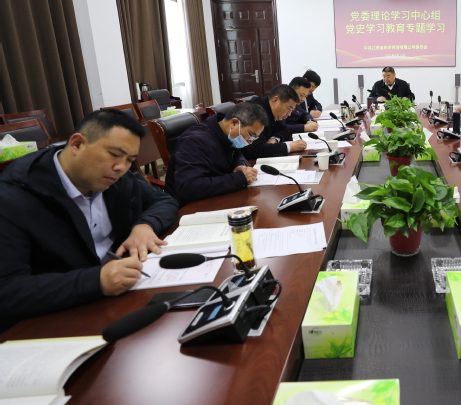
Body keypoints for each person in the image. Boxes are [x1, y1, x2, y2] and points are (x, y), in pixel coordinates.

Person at [0, 109, 179, 331]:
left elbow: (164, 200)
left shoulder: (115, 178)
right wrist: (96, 281)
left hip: (120, 296)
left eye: (130, 160)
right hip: (56, 319)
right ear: (77, 144)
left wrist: (145, 225)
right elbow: (7, 291)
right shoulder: (14, 197)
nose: (121, 167)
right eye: (114, 154)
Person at [165, 102, 268, 207]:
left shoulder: (227, 132)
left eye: (255, 137)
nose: (250, 142)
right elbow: (188, 188)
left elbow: (237, 154)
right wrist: (239, 178)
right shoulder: (196, 141)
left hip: (217, 195)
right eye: (250, 135)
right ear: (233, 123)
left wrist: (239, 165)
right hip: (189, 206)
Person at [243, 84, 307, 160]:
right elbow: (255, 150)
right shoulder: (255, 112)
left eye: (291, 110)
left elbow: (284, 129)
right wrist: (289, 147)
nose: (289, 114)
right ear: (275, 100)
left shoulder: (274, 111)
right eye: (289, 109)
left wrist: (274, 139)